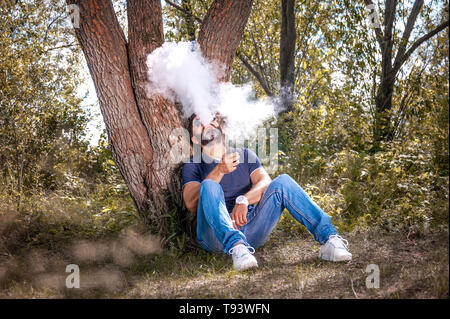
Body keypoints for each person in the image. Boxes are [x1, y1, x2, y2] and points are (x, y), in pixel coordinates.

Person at [182, 114, 352, 271]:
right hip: (214, 235)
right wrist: (219, 171)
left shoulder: (245, 155)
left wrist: (244, 200)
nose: (205, 124)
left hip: (251, 228)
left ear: (222, 128)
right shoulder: (193, 164)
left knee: (282, 181)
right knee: (209, 186)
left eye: (210, 118)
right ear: (194, 138)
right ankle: (237, 247)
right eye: (198, 123)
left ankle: (330, 239)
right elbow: (191, 203)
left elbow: (265, 183)